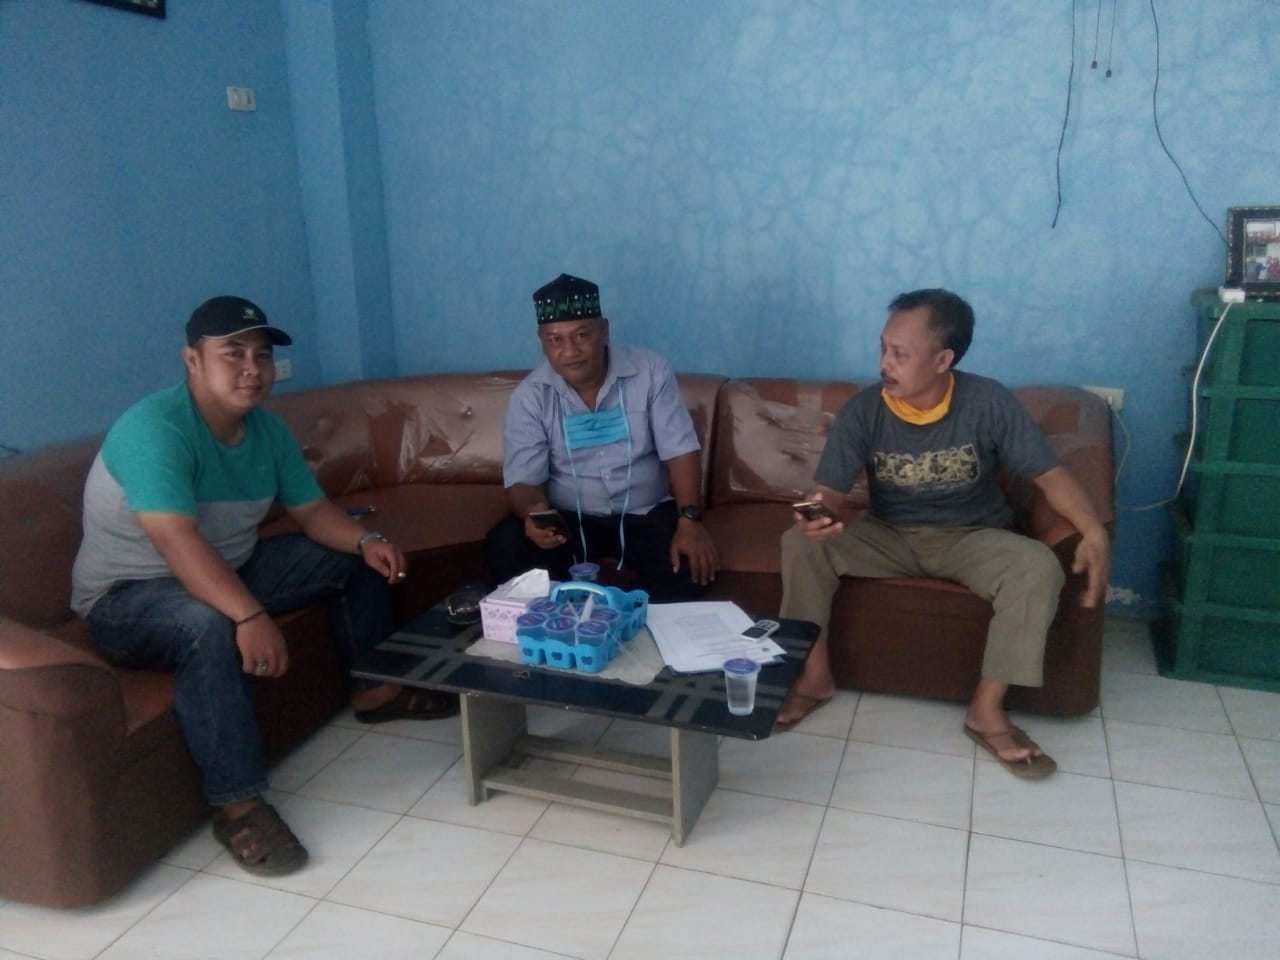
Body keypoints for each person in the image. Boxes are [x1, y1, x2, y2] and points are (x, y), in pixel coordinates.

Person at [70, 295, 458, 877]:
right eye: (233, 354)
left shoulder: (268, 432)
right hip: (128, 597)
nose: (252, 369)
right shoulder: (154, 429)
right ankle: (238, 806)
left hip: (230, 566)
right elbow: (176, 541)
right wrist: (249, 616)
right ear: (193, 360)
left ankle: (376, 692)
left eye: (262, 355)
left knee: (351, 560)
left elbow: (313, 513)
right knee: (207, 624)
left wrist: (364, 541)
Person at [776, 288, 1110, 778]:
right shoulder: (864, 410)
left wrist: (1093, 529)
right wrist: (817, 515)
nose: (884, 363)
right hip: (888, 533)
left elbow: (1050, 475)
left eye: (900, 354)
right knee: (799, 544)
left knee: (1037, 566)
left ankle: (986, 711)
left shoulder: (988, 401)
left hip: (971, 537)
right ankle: (814, 679)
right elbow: (828, 490)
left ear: (942, 359)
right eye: (883, 348)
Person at [484, 273, 719, 601]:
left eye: (581, 335)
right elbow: (523, 479)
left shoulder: (650, 372)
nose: (570, 351)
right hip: (569, 521)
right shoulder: (530, 396)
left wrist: (690, 520)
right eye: (555, 340)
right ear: (542, 341)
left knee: (691, 564)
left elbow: (680, 450)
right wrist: (536, 514)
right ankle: (569, 618)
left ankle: (625, 614)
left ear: (604, 331)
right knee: (506, 544)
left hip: (644, 515)